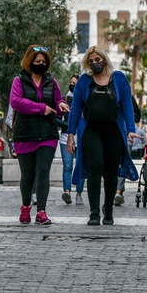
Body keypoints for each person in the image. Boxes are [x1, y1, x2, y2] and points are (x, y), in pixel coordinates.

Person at [66, 46, 139, 226]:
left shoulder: (119, 78)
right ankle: (93, 213)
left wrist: (131, 129)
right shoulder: (84, 81)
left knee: (111, 170)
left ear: (104, 59)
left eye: (97, 60)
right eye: (91, 62)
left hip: (113, 129)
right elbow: (75, 109)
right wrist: (70, 134)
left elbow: (127, 106)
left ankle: (108, 210)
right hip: (91, 129)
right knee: (95, 166)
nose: (95, 64)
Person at [10, 45, 69, 225]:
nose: (41, 64)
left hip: (47, 134)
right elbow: (16, 102)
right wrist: (41, 108)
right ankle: (26, 206)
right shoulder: (19, 81)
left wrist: (60, 105)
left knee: (43, 172)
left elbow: (58, 100)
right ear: (30, 62)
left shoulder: (52, 82)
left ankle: (41, 211)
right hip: (24, 134)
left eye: (44, 62)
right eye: (37, 61)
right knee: (28, 175)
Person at [59, 75, 84, 206]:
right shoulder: (64, 99)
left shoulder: (84, 99)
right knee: (67, 167)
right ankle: (67, 192)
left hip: (81, 138)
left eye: (75, 83)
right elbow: (56, 117)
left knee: (79, 166)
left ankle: (79, 194)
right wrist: (68, 127)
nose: (72, 85)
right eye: (71, 83)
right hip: (65, 138)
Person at [115, 97, 144, 206]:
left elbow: (137, 116)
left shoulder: (129, 97)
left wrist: (127, 115)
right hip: (112, 133)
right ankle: (117, 191)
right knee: (114, 163)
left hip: (127, 134)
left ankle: (118, 191)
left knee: (123, 161)